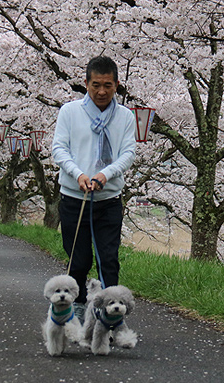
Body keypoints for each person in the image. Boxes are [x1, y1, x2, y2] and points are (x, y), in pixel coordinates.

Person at [51, 56, 136, 317]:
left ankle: (111, 314)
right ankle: (73, 313)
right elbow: (59, 149)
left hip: (108, 200)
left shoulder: (125, 116)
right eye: (96, 84)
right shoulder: (70, 112)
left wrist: (105, 174)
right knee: (79, 260)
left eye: (108, 85)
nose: (101, 91)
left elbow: (128, 153)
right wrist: (79, 175)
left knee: (108, 260)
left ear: (116, 85)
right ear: (86, 84)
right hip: (74, 198)